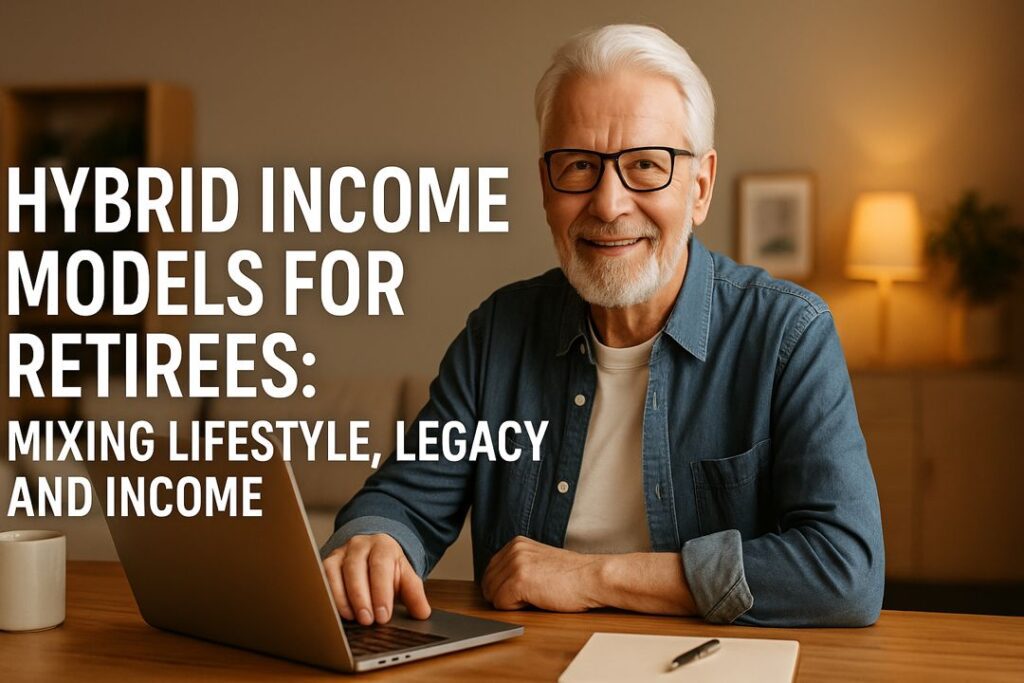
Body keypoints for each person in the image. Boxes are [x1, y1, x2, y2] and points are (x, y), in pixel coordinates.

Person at [320, 23, 884, 629]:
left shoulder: (787, 335)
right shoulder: (497, 334)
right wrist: (373, 540)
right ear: (545, 186)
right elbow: (404, 497)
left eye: (645, 165)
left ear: (700, 186)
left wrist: (592, 575)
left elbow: (843, 569)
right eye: (579, 165)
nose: (609, 204)